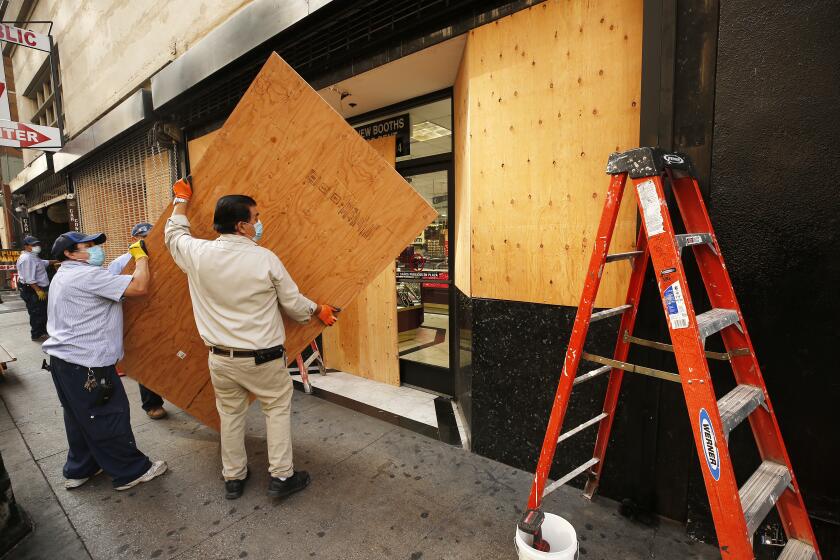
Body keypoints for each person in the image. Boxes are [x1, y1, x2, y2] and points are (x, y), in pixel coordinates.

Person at [164, 176, 339, 500]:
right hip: (264, 359)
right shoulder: (264, 259)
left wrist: (181, 200)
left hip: (221, 359)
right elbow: (293, 303)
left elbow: (173, 235)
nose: (260, 223)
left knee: (230, 416)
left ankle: (233, 478)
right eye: (256, 218)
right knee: (276, 411)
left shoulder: (197, 254)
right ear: (243, 226)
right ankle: (281, 477)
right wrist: (318, 310)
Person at [42, 231, 167, 491]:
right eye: (88, 245)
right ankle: (131, 471)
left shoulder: (64, 275)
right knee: (108, 415)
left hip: (64, 362)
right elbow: (139, 287)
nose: (96, 249)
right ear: (69, 253)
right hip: (87, 363)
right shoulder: (86, 275)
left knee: (79, 417)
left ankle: (82, 468)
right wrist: (141, 259)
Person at [107, 222, 168, 420]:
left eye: (150, 237)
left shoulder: (168, 258)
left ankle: (182, 395)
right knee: (147, 362)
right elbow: (112, 294)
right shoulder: (120, 264)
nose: (147, 241)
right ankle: (152, 403)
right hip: (139, 319)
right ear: (134, 239)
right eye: (143, 238)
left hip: (165, 316)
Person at [16, 235, 52, 341]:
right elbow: (29, 279)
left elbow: (43, 263)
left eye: (37, 244)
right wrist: (38, 291)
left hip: (36, 288)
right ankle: (37, 334)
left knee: (42, 311)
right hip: (32, 289)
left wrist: (58, 261)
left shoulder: (33, 256)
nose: (37, 246)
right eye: (33, 245)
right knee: (36, 312)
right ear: (26, 246)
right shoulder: (27, 259)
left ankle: (42, 332)